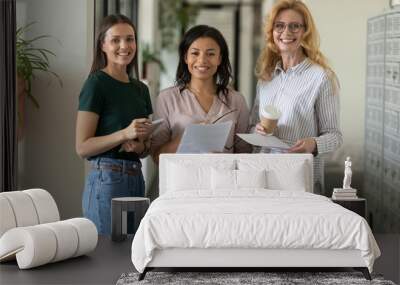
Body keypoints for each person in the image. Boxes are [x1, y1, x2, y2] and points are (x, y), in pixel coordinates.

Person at [250, 0, 343, 194]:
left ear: (305, 32)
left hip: (301, 184)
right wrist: (257, 130)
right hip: (264, 180)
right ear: (272, 32)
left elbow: (335, 136)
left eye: (295, 26)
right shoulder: (266, 79)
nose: (286, 32)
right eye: (280, 26)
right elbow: (252, 127)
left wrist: (313, 144)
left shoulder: (321, 77)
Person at [75, 15, 153, 235]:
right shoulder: (96, 83)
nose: (124, 46)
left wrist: (140, 146)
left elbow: (145, 148)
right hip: (107, 180)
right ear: (103, 45)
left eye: (130, 39)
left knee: (131, 256)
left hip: (136, 178)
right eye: (116, 40)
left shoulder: (140, 89)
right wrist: (123, 134)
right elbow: (82, 147)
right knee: (107, 256)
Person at [151, 25, 251, 163]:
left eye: (210, 54)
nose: (202, 60)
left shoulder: (236, 100)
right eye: (195, 53)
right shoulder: (167, 99)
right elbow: (156, 157)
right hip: (182, 182)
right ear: (185, 57)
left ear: (219, 59)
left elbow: (245, 153)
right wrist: (186, 138)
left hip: (223, 181)